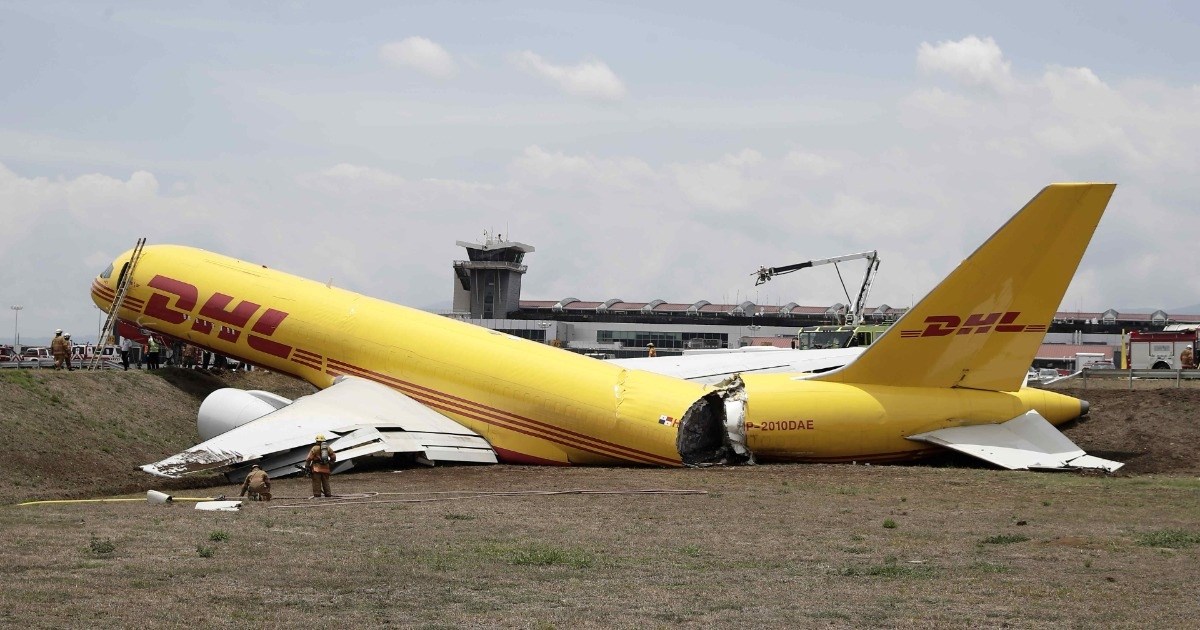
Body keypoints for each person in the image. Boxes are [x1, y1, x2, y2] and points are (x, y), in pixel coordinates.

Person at [305, 434, 336, 498]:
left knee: (316, 482)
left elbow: (309, 458)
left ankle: (317, 495)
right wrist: (330, 462)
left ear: (316, 441)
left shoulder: (314, 448)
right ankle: (328, 494)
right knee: (326, 482)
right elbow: (333, 456)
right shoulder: (327, 448)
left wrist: (307, 466)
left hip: (316, 468)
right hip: (326, 468)